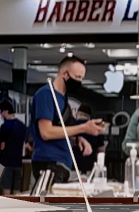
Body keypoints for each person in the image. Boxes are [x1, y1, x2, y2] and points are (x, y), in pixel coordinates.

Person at [30, 56, 105, 185]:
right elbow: (46, 132)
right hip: (49, 164)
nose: (79, 81)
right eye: (77, 77)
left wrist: (76, 140)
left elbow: (59, 131)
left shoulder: (63, 99)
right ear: (65, 74)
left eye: (82, 78)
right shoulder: (46, 95)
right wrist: (83, 128)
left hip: (62, 164)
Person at [0, 101, 27, 195]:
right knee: (16, 189)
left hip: (6, 162)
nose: (0, 114)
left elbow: (2, 146)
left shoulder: (5, 126)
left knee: (6, 188)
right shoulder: (22, 126)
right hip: (18, 162)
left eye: (1, 112)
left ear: (6, 111)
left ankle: (6, 209)